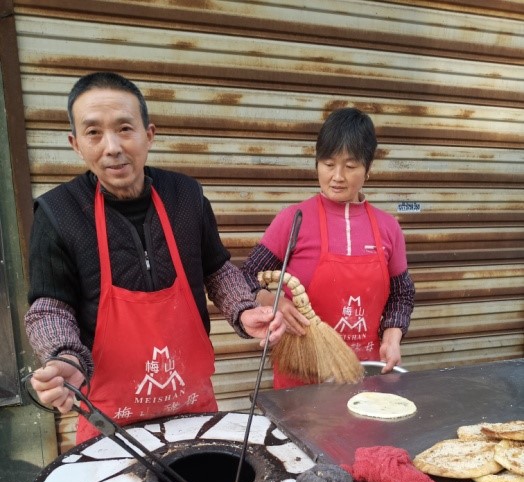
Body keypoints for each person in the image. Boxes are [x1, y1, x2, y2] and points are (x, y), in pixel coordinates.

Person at [25, 71, 285, 443]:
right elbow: (50, 306)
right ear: (76, 143)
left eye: (125, 128)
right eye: (94, 132)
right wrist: (65, 358)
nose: (112, 146)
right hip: (112, 421)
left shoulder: (186, 196)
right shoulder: (58, 212)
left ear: (149, 134)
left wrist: (245, 310)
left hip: (194, 409)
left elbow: (217, 270)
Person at [242, 107, 415, 389]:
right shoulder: (293, 220)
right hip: (302, 374)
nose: (337, 176)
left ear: (368, 169)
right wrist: (274, 303)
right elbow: (246, 277)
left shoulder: (388, 228)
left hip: (362, 372)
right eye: (328, 163)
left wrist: (392, 337)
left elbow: (402, 294)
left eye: (350, 166)